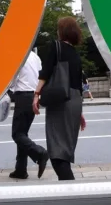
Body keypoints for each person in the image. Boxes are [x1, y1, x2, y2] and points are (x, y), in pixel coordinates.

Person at [33, 17, 87, 181]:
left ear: (61, 31)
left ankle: (72, 191)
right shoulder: (75, 55)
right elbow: (79, 85)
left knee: (57, 153)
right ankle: (70, 189)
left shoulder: (55, 47)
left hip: (60, 101)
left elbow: (46, 72)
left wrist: (36, 94)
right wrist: (80, 113)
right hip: (74, 102)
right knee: (65, 151)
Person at [8, 46, 48, 180]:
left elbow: (13, 77)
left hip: (23, 95)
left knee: (17, 134)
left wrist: (8, 90)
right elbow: (41, 75)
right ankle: (20, 170)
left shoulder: (19, 56)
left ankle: (39, 153)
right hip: (33, 96)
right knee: (22, 133)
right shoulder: (35, 57)